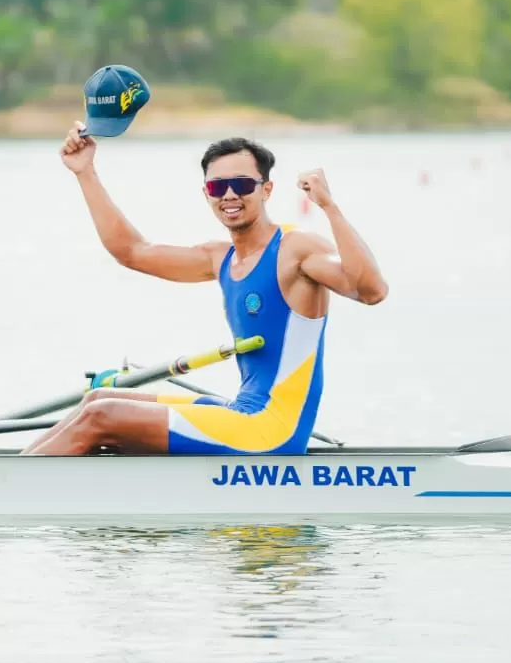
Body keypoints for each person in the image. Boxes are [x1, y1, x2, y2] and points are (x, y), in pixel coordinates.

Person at [24, 131, 387, 456]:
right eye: (218, 187)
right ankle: (18, 471)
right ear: (206, 194)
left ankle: (7, 486)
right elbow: (131, 252)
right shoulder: (220, 258)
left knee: (103, 416)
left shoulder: (297, 249)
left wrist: (329, 207)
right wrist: (84, 172)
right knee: (99, 398)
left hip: (272, 429)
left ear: (266, 190)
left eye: (243, 184)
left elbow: (371, 290)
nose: (229, 195)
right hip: (241, 411)